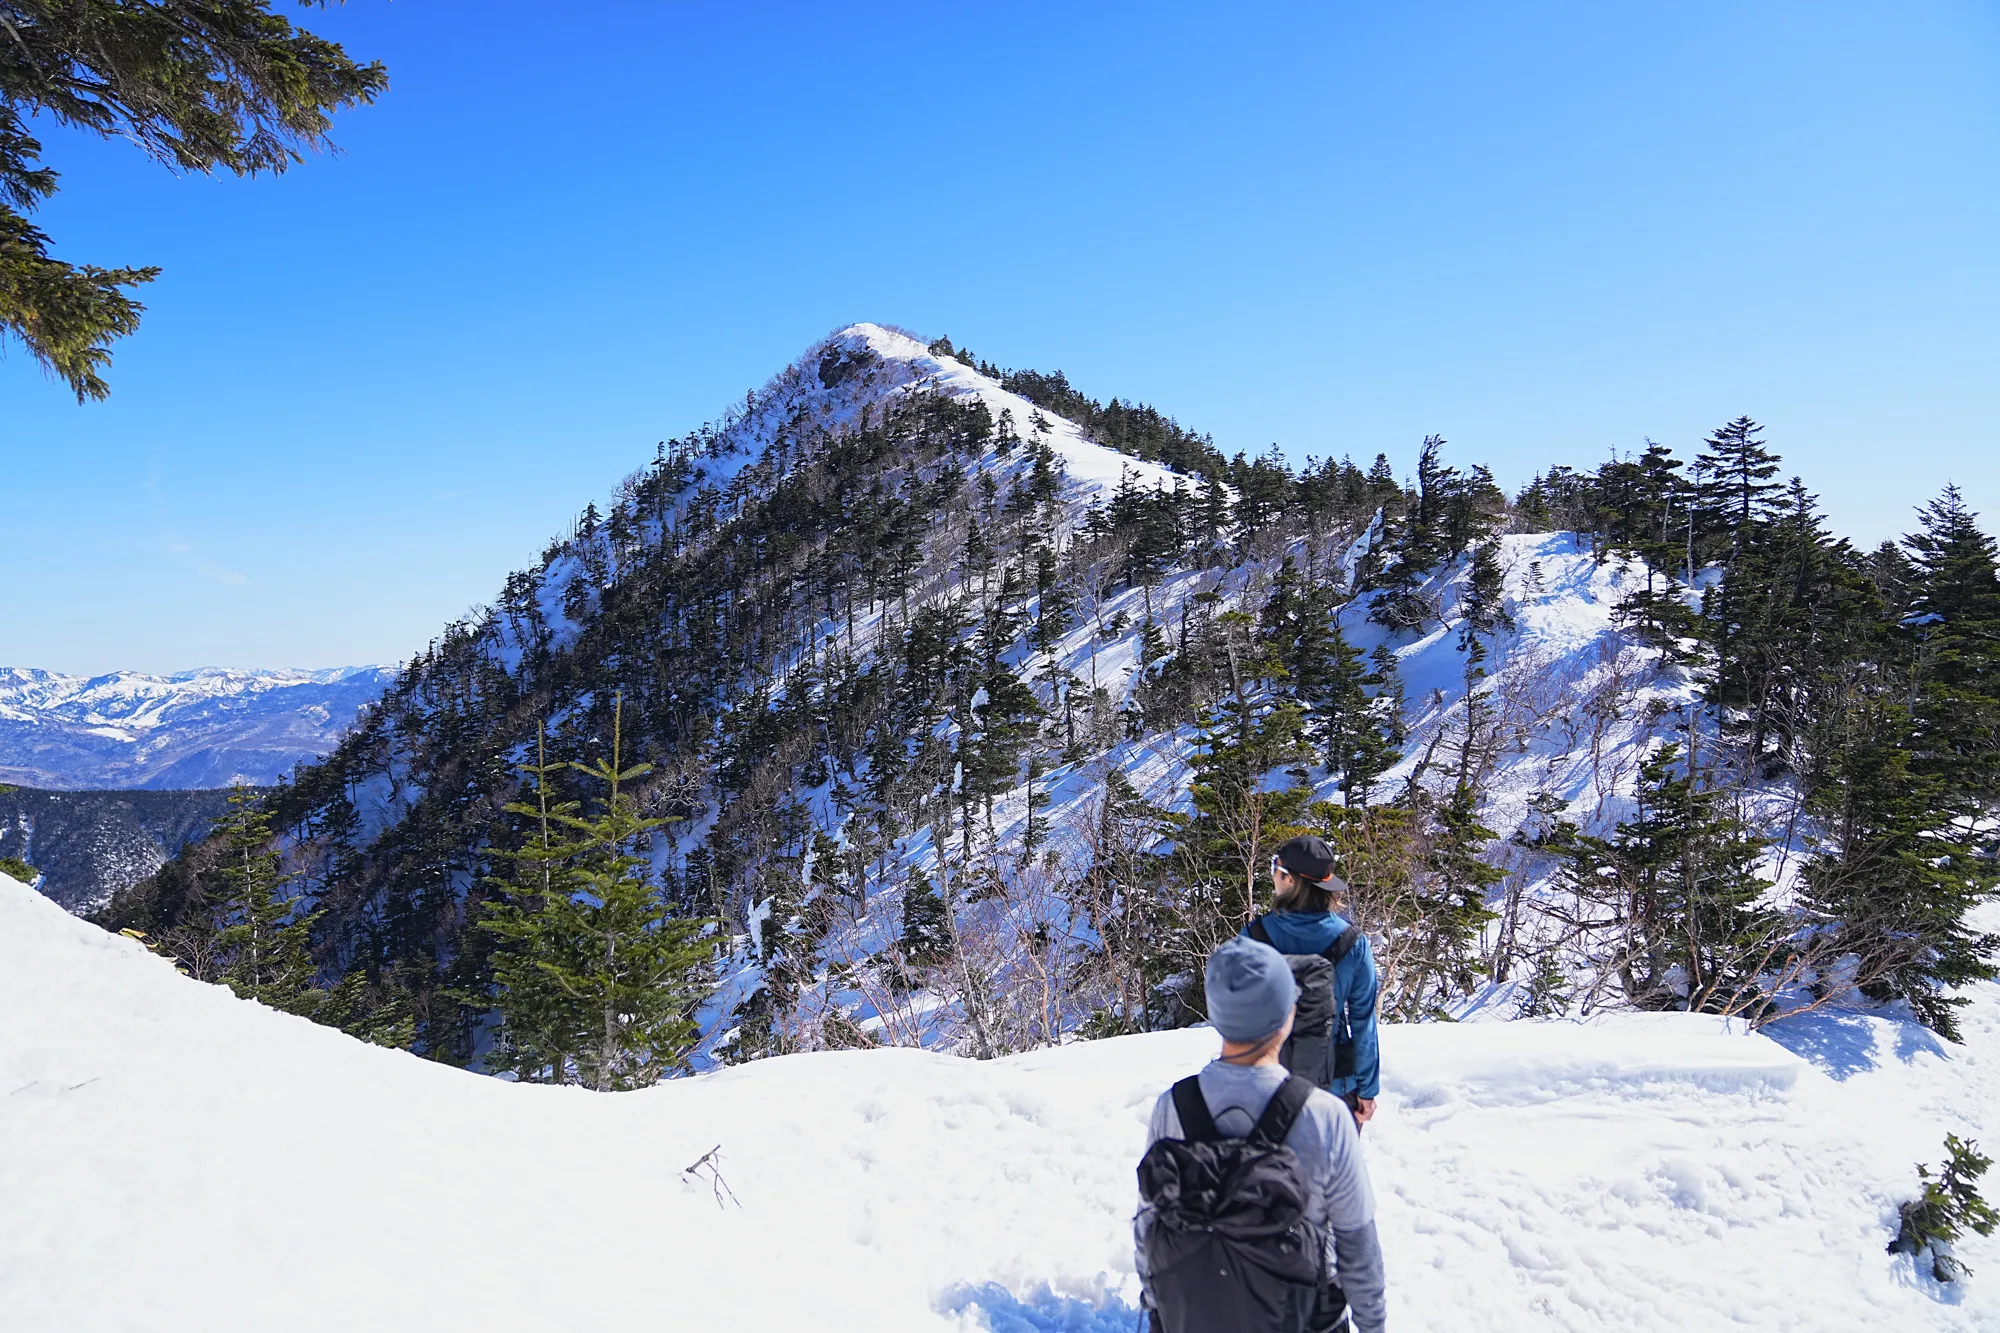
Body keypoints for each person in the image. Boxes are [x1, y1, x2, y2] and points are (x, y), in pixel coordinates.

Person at [1135, 937, 1387, 1333]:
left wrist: (1159, 1312)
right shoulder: (1325, 1116)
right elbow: (1358, 1249)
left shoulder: (1174, 1106)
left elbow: (1150, 1225)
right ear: (1286, 1016)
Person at [1246, 834, 1381, 1129]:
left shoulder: (1254, 937)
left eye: (1275, 868)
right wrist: (1367, 1091)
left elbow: (1241, 1017)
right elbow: (1363, 1022)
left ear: (1290, 881)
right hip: (1335, 1088)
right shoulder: (1352, 942)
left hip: (1270, 1088)